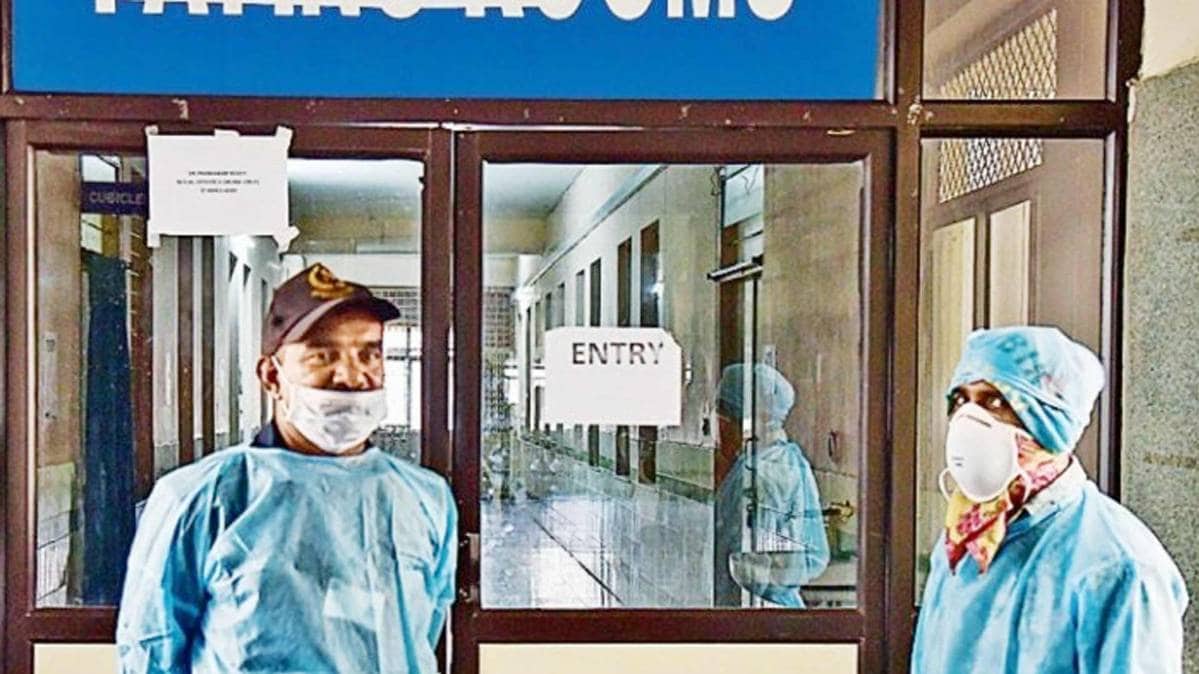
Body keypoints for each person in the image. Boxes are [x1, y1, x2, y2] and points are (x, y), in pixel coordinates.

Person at [117, 264, 457, 674]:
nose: (351, 375)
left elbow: (424, 627)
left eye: (369, 352)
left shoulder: (425, 498)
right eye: (322, 355)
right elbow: (151, 650)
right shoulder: (200, 499)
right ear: (272, 375)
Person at [912, 326, 1188, 673]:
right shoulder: (965, 540)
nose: (967, 420)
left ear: (1048, 419)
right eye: (960, 400)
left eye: (994, 402)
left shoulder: (1118, 567)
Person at [713, 363, 830, 608]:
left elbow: (758, 565)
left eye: (723, 415)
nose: (717, 427)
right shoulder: (783, 460)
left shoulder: (764, 473)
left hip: (763, 615)